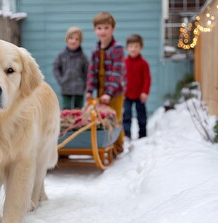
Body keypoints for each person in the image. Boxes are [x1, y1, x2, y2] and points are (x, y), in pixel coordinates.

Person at [85, 12, 126, 156]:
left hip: (115, 91)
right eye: (99, 28)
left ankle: (118, 145)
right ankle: (107, 143)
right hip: (101, 90)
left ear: (112, 29)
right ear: (95, 30)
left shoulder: (117, 48)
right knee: (103, 118)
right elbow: (92, 72)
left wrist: (109, 93)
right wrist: (89, 90)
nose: (103, 31)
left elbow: (117, 73)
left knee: (115, 118)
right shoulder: (96, 49)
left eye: (106, 28)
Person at [53, 26, 89, 109]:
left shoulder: (83, 57)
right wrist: (61, 80)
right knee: (66, 109)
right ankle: (66, 122)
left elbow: (88, 72)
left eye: (77, 39)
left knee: (78, 110)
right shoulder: (61, 56)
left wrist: (85, 85)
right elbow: (55, 68)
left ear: (80, 41)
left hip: (79, 89)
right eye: (71, 38)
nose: (74, 41)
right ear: (67, 39)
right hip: (66, 88)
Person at [123, 34, 151, 139]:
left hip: (140, 95)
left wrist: (145, 92)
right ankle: (126, 134)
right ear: (127, 48)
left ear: (141, 47)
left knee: (141, 115)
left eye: (136, 46)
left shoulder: (144, 64)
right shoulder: (124, 63)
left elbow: (147, 79)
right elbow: (121, 78)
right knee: (126, 114)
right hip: (127, 94)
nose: (133, 49)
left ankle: (142, 134)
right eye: (131, 46)